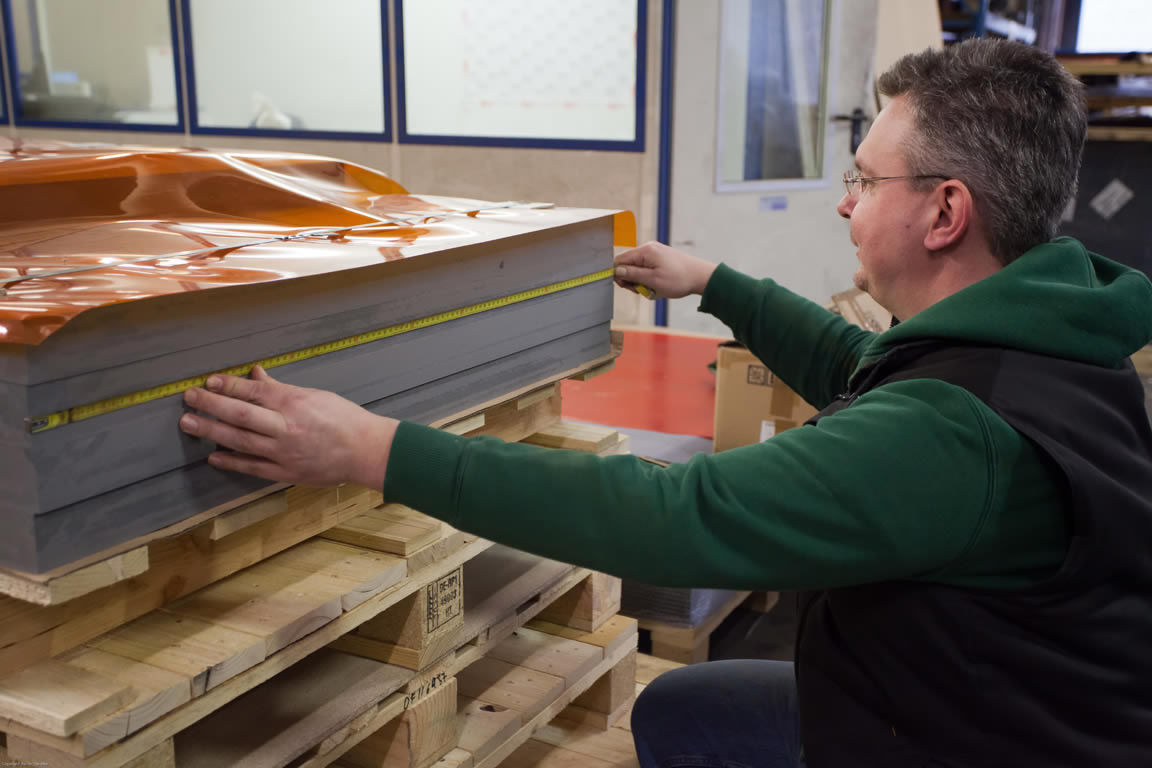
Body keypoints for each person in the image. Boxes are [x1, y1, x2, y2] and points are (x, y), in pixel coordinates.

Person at [178, 39, 1152, 767]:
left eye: (864, 178)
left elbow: (676, 518)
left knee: (690, 720)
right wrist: (713, 282)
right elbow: (860, 366)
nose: (845, 202)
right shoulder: (1039, 341)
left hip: (965, 741)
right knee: (683, 707)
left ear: (945, 212)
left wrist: (372, 449)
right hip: (974, 701)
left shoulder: (958, 435)